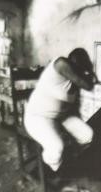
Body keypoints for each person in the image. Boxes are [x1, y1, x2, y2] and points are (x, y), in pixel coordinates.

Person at [22, 48, 96, 180]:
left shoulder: (74, 81)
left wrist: (88, 72)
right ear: (70, 61)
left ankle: (62, 163)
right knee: (56, 146)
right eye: (74, 65)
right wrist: (88, 72)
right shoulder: (61, 63)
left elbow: (87, 83)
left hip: (60, 117)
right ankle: (46, 170)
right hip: (37, 116)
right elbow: (88, 85)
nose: (74, 69)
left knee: (87, 135)